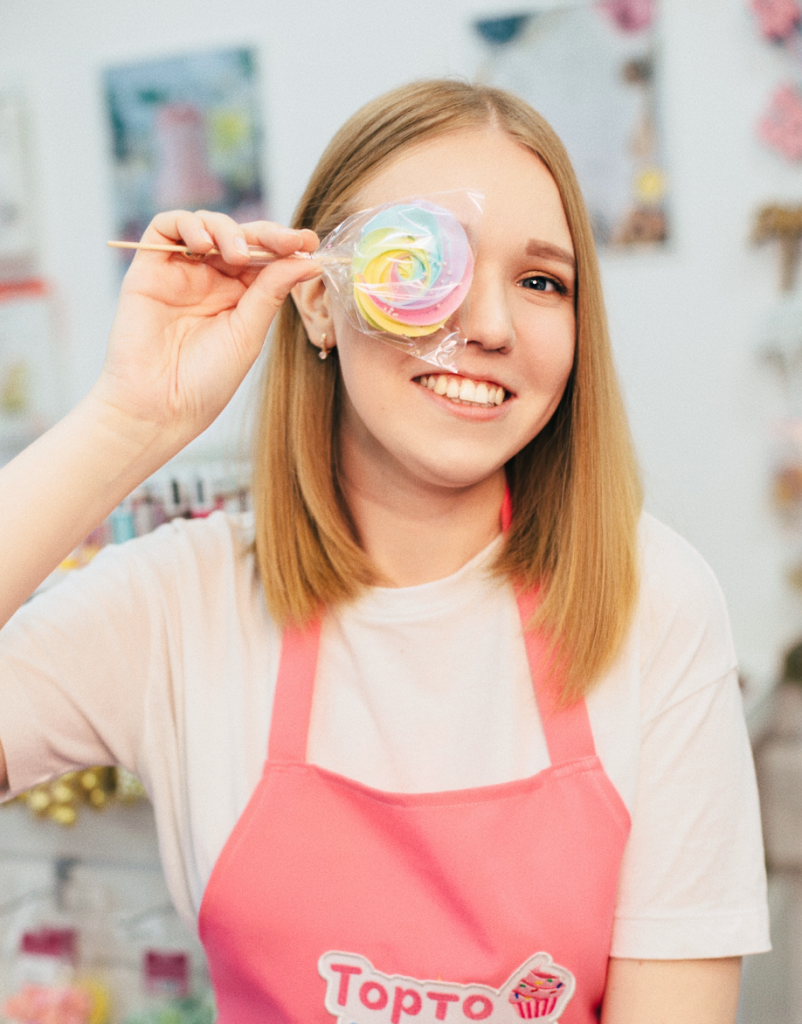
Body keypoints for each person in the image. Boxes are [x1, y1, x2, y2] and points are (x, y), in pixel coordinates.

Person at [0, 79, 768, 1023]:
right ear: (318, 301)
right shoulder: (181, 605)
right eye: (429, 259)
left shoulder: (654, 602)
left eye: (542, 282)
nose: (490, 326)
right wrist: (130, 419)